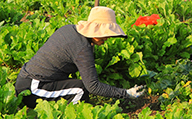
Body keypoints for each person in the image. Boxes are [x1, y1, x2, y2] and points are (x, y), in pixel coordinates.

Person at [14, 6, 145, 108]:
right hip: (32, 90)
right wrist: (126, 93)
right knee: (80, 90)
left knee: (78, 85)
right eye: (105, 34)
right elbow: (93, 86)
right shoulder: (82, 48)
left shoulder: (70, 29)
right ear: (96, 31)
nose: (107, 39)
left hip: (25, 81)